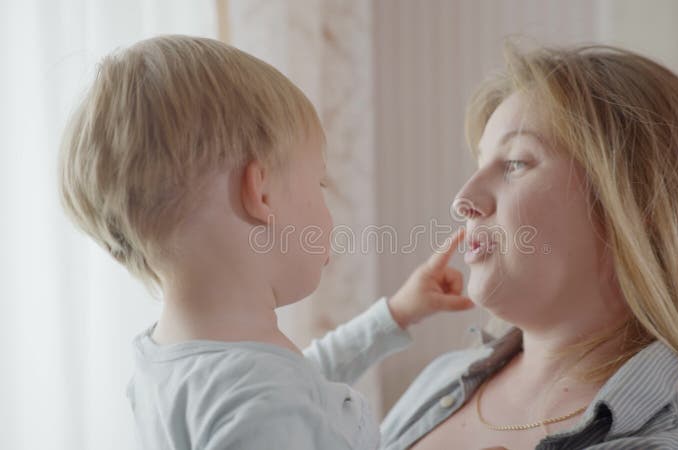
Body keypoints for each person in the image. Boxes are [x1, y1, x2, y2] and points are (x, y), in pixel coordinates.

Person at [58, 35, 473, 450]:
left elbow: (303, 378)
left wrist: (396, 314)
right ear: (262, 194)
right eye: (320, 182)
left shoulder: (180, 360)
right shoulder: (260, 404)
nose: (329, 209)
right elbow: (285, 394)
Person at [380, 44, 678, 450]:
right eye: (480, 164)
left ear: (637, 204)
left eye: (516, 163)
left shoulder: (665, 442)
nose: (463, 200)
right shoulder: (443, 381)